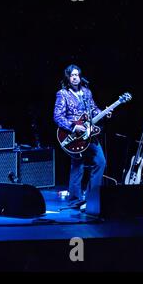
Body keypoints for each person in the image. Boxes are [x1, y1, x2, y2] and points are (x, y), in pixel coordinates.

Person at [54, 64, 108, 204]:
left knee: (100, 162)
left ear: (80, 76)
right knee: (78, 166)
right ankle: (74, 200)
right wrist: (74, 126)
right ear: (68, 77)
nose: (74, 78)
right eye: (72, 75)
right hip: (73, 136)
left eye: (77, 75)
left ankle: (92, 197)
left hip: (89, 134)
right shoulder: (63, 94)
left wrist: (104, 112)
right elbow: (58, 116)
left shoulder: (86, 92)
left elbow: (94, 109)